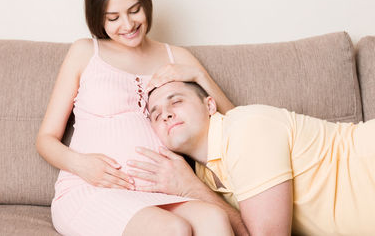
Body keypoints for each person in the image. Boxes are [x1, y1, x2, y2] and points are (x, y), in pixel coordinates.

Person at [36, 0, 240, 235]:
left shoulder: (176, 56)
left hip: (161, 194)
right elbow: (45, 139)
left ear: (146, 4)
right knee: (172, 229)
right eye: (113, 17)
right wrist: (81, 165)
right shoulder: (85, 52)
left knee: (215, 219)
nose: (128, 24)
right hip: (92, 189)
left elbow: (237, 124)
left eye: (134, 10)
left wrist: (199, 75)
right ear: (98, 18)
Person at [128, 81, 375, 236]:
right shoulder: (202, 173)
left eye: (176, 101)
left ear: (210, 105)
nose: (166, 115)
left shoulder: (245, 129)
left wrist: (191, 189)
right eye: (155, 114)